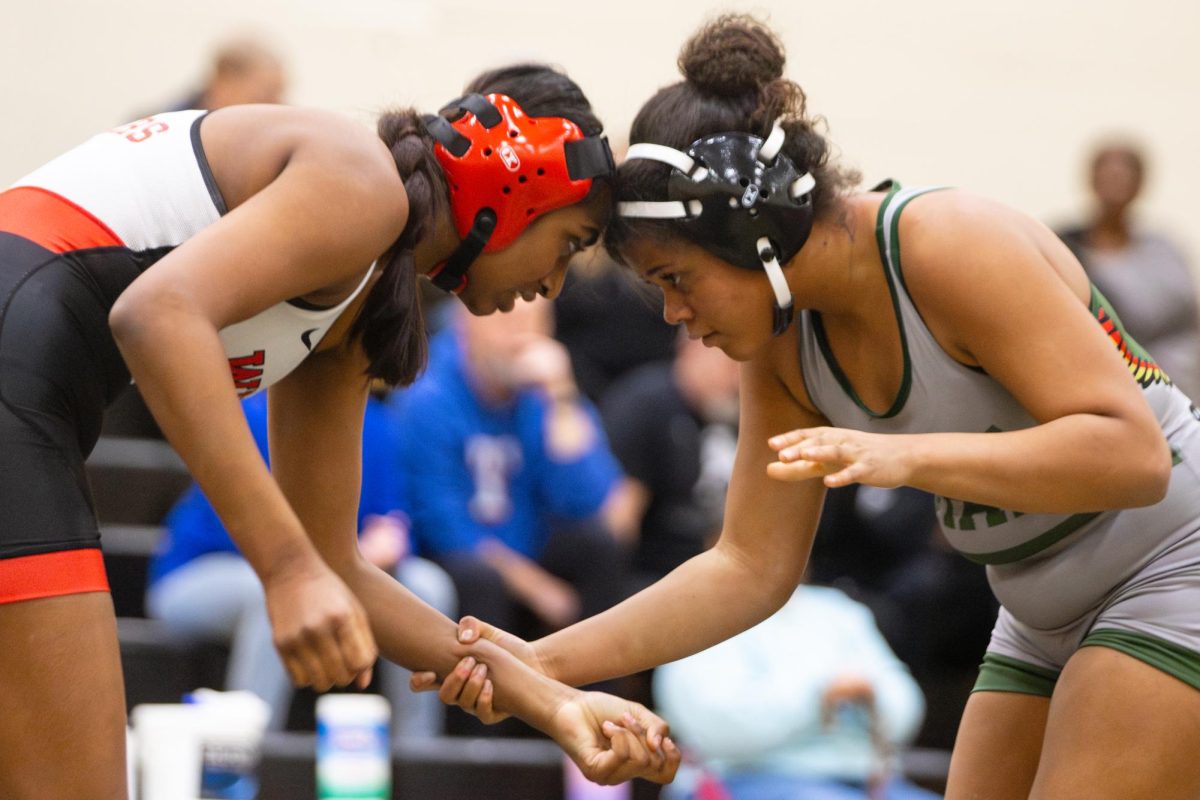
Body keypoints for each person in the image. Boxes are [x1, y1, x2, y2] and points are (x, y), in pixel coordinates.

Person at [423, 17, 1200, 800]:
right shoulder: (785, 347)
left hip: (1167, 562)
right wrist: (540, 661)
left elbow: (1134, 458)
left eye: (676, 279)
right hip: (1036, 604)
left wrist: (908, 456)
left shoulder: (946, 242)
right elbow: (747, 567)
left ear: (750, 235)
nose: (671, 318)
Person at [0, 63, 679, 798]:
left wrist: (557, 702)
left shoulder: (353, 299)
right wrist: (286, 572)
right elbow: (154, 317)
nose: (552, 285)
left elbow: (338, 565)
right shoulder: (360, 181)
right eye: (570, 241)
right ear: (519, 187)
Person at [146, 391, 457, 737]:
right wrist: (346, 558)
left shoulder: (378, 423)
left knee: (427, 584)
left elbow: (392, 522)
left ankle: (417, 756)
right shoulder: (253, 414)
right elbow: (255, 542)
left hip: (333, 572)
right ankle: (246, 756)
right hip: (207, 572)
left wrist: (391, 541)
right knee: (279, 591)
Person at [392, 296, 627, 646]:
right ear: (466, 323)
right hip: (459, 563)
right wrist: (533, 586)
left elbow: (589, 504)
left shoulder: (546, 396)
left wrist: (561, 398)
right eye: (508, 321)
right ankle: (482, 699)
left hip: (528, 541)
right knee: (479, 580)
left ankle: (597, 697)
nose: (523, 337)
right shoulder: (428, 397)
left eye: (535, 323)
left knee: (598, 547)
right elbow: (443, 525)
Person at [653, 584, 936, 800]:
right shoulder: (699, 612)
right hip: (748, 778)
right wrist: (819, 696)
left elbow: (905, 712)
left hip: (870, 780)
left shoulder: (840, 610)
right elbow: (718, 729)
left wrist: (868, 696)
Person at [1056, 141, 1200, 398]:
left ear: (1141, 183)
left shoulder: (1165, 251)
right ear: (1091, 178)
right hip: (1099, 385)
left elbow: (1188, 319)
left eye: (1126, 172)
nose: (1116, 179)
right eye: (1108, 171)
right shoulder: (1063, 248)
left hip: (1176, 387)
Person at [600, 331, 741, 592]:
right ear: (695, 349)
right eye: (730, 365)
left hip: (707, 569)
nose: (737, 380)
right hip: (650, 573)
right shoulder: (647, 404)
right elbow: (619, 515)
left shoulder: (725, 413)